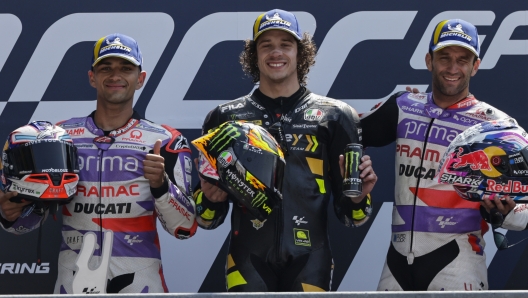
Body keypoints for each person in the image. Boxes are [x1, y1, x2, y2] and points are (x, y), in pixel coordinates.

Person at [192, 9, 377, 292]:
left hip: (311, 259)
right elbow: (207, 219)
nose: (275, 52)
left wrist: (359, 199)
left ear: (300, 54)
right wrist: (209, 199)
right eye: (266, 45)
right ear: (253, 55)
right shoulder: (224, 118)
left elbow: (352, 217)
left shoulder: (337, 116)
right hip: (246, 259)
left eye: (285, 45)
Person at [0, 33, 197, 294]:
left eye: (126, 68)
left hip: (139, 280)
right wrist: (10, 215)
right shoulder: (60, 137)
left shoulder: (166, 140)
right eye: (106, 68)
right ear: (92, 77)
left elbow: (185, 228)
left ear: (140, 79)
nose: (115, 75)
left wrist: (161, 186)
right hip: (72, 279)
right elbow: (30, 219)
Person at [360, 19, 517, 291]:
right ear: (429, 61)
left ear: (475, 66)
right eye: (444, 58)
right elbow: (345, 129)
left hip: (457, 260)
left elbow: (524, 206)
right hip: (395, 263)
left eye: (463, 60)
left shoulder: (495, 125)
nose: (453, 68)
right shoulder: (404, 105)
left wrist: (507, 213)